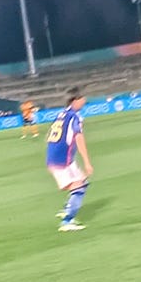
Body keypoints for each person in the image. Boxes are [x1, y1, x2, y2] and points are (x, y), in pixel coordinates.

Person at [46, 88, 93, 232]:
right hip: (62, 160)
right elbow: (79, 138)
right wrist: (87, 162)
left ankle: (67, 209)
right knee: (78, 188)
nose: (84, 101)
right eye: (82, 98)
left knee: (81, 181)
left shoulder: (61, 114)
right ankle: (67, 222)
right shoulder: (75, 116)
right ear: (75, 100)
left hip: (57, 157)